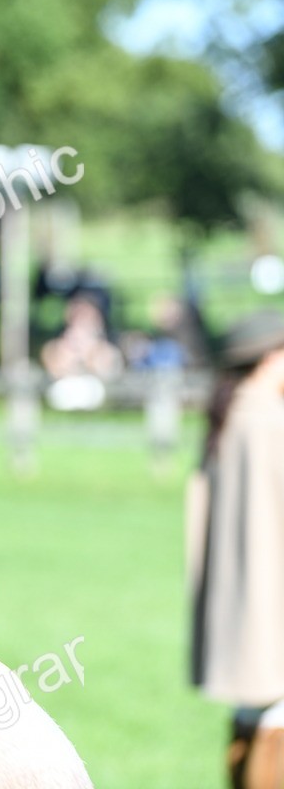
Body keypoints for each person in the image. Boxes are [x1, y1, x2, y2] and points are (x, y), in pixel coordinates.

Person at [190, 309, 284, 789]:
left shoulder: (229, 417)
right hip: (271, 589)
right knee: (274, 709)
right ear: (269, 359)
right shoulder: (268, 420)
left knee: (255, 705)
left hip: (245, 593)